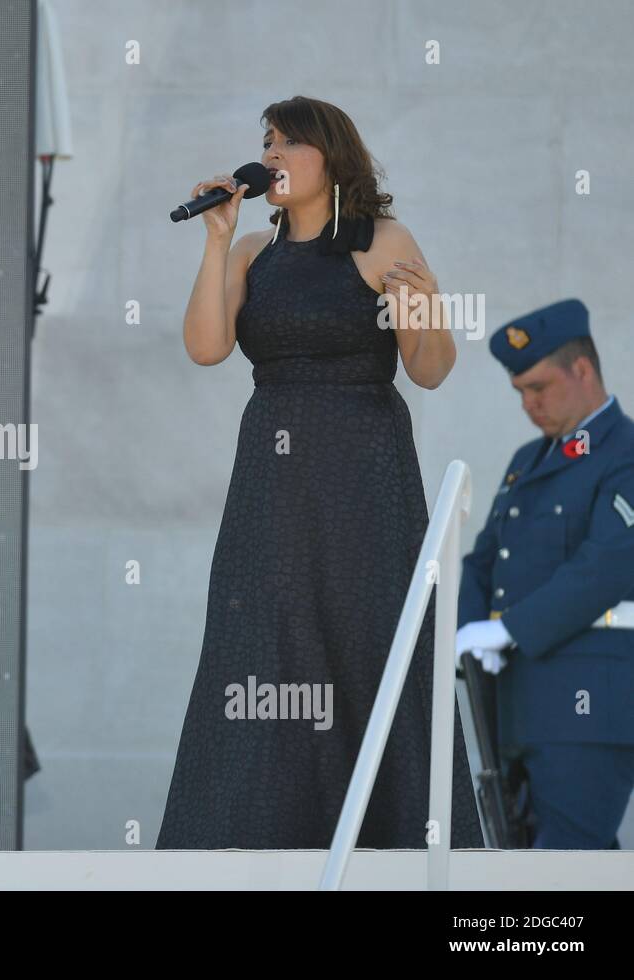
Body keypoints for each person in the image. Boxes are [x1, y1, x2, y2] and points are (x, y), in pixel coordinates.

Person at [157, 95, 482, 849]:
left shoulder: (381, 240)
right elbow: (206, 348)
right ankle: (261, 832)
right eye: (265, 142)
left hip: (361, 470)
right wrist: (216, 240)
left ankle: (388, 833)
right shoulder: (250, 253)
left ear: (330, 157)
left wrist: (427, 314)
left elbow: (429, 372)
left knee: (363, 629)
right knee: (266, 635)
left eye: (286, 143)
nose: (269, 155)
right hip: (272, 476)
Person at [456, 299, 634, 849]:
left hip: (587, 706)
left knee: (565, 870)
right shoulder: (526, 460)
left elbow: (608, 562)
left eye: (539, 387)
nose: (529, 405)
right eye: (520, 393)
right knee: (530, 868)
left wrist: (509, 629)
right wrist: (464, 635)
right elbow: (483, 559)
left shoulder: (624, 451)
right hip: (515, 700)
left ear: (582, 370)